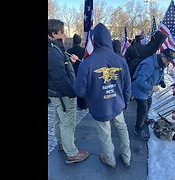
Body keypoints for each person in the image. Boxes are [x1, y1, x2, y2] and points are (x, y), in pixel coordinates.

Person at [74, 23, 131, 168]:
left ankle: (110, 161)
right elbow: (127, 86)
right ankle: (127, 158)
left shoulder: (87, 63)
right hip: (118, 104)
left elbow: (79, 91)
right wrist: (124, 102)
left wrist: (92, 92)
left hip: (100, 107)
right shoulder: (120, 59)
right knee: (122, 130)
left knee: (105, 135)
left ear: (94, 41)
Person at [48, 19, 89, 164]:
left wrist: (69, 61)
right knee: (68, 123)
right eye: (62, 32)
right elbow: (60, 77)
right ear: (54, 34)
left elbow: (58, 69)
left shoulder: (55, 48)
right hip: (62, 94)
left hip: (56, 93)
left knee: (59, 119)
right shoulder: (52, 51)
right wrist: (73, 92)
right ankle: (71, 152)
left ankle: (62, 142)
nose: (65, 36)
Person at [131, 48, 175, 140]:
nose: (169, 62)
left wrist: (162, 81)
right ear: (162, 56)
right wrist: (151, 87)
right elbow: (140, 80)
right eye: (168, 60)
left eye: (170, 60)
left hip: (147, 90)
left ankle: (145, 120)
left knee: (148, 104)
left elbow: (160, 72)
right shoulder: (149, 64)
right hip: (139, 89)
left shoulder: (161, 63)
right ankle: (138, 128)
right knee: (143, 109)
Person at [67, 34, 88, 111]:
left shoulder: (69, 51)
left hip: (73, 71)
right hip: (82, 71)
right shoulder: (83, 50)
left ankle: (77, 104)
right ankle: (83, 105)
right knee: (82, 87)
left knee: (75, 87)